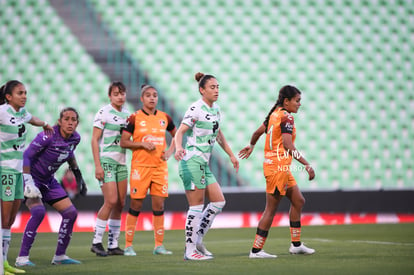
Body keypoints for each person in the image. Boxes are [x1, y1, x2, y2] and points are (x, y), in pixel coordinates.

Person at [238, 85, 316, 259]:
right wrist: (306, 164)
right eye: (297, 101)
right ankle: (256, 251)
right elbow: (288, 145)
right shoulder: (286, 117)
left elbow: (257, 132)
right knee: (270, 210)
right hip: (277, 168)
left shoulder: (274, 114)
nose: (299, 104)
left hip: (280, 167)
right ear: (286, 101)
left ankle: (296, 245)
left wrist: (251, 145)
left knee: (298, 200)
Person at [174, 72, 239, 261]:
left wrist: (231, 155)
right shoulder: (196, 108)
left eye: (218, 87)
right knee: (196, 206)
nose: (216, 90)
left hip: (203, 164)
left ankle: (198, 240)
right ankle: (189, 250)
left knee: (218, 201)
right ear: (202, 90)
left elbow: (218, 135)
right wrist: (178, 148)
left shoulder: (216, 109)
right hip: (191, 161)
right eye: (212, 87)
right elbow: (180, 132)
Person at [14, 107, 87, 267]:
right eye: (66, 119)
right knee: (39, 212)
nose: (70, 122)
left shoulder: (75, 138)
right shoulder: (48, 135)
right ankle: (22, 258)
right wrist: (28, 181)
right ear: (60, 121)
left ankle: (60, 256)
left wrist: (78, 175)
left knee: (71, 213)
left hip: (49, 180)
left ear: (77, 123)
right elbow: (26, 156)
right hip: (31, 177)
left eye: (73, 119)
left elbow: (70, 153)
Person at [0, 80, 54, 274]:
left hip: (17, 172)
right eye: (20, 93)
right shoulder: (2, 111)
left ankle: (4, 263)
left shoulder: (21, 113)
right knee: (3, 217)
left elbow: (33, 119)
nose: (24, 96)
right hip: (4, 171)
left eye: (25, 93)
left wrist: (46, 124)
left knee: (10, 220)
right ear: (8, 97)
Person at [120, 84, 176, 256]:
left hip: (160, 168)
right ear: (142, 99)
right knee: (136, 204)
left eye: (155, 95)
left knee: (159, 205)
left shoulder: (164, 117)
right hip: (141, 168)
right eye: (148, 95)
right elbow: (124, 142)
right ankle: (128, 245)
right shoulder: (133, 118)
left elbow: (177, 135)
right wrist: (141, 144)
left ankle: (159, 246)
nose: (152, 98)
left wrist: (170, 151)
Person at [90, 82, 130, 257]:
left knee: (120, 203)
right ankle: (96, 242)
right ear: (110, 96)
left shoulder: (128, 116)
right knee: (111, 200)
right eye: (116, 94)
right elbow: (94, 140)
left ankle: (113, 244)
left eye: (122, 93)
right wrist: (97, 165)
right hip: (107, 161)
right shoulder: (104, 112)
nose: (120, 96)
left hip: (121, 163)